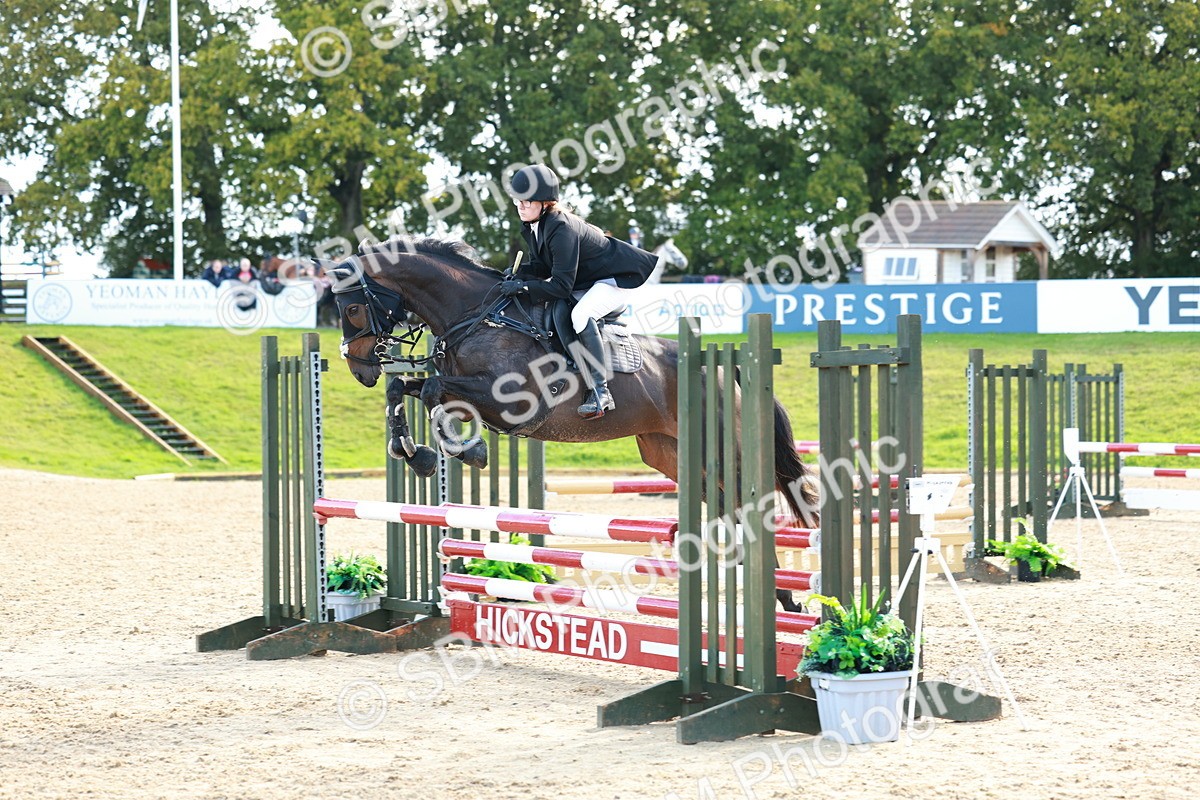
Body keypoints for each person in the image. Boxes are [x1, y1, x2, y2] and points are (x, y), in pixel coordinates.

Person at [501, 164, 660, 419]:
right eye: (517, 201)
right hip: (585, 282)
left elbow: (561, 285)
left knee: (581, 315)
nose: (520, 206)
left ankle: (600, 391)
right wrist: (516, 274)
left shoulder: (561, 227)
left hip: (615, 279)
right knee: (559, 308)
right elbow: (542, 267)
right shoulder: (533, 225)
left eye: (526, 201)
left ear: (545, 202)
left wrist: (523, 287)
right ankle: (573, 363)